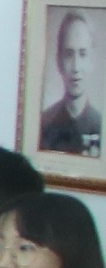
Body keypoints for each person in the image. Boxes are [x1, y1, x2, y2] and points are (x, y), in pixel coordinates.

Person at [40, 11, 105, 160]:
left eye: (83, 54)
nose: (76, 67)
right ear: (59, 61)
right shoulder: (43, 124)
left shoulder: (100, 125)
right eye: (69, 54)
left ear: (92, 60)